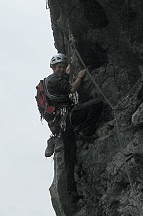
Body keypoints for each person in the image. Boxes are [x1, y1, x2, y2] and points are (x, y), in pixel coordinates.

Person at [44, 53, 103, 199]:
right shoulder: (54, 80)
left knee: (70, 155)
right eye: (59, 67)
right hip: (67, 118)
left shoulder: (53, 79)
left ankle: (72, 191)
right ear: (52, 68)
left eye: (63, 67)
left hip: (64, 119)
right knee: (97, 103)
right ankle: (85, 130)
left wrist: (67, 71)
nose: (61, 69)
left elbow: (63, 78)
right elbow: (71, 89)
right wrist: (80, 77)